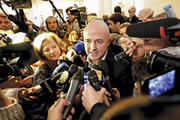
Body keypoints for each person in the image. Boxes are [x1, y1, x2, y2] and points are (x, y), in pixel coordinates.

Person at [83, 20, 134, 98]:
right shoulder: (78, 60)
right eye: (88, 41)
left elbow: (127, 103)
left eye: (99, 42)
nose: (93, 48)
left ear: (108, 42)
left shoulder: (123, 67)